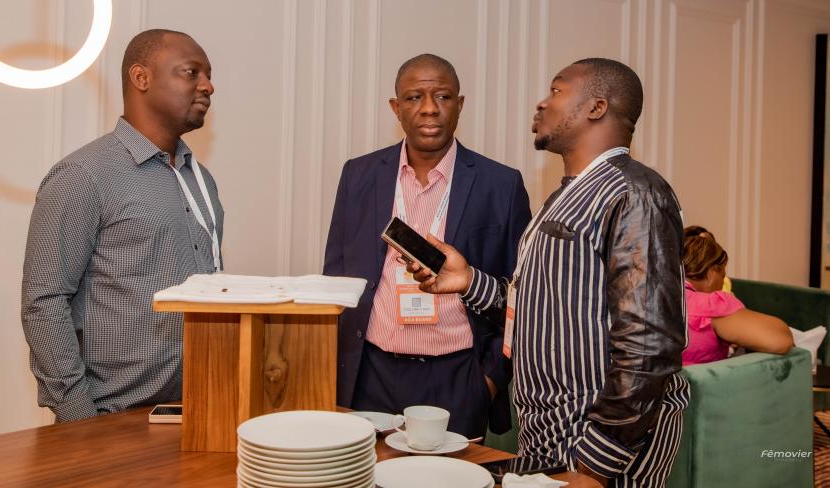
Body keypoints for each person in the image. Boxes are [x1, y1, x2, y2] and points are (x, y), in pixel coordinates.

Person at [412, 58, 689, 487]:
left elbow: (650, 346)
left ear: (596, 107)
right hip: (551, 435)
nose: (542, 103)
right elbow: (542, 306)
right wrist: (467, 281)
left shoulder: (634, 193)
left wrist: (596, 465)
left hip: (598, 449)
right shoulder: (568, 194)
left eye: (557, 91)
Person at [323, 53, 531, 439]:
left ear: (460, 104)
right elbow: (335, 276)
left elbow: (521, 294)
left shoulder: (501, 185)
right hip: (370, 374)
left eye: (443, 96)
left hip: (459, 377)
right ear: (396, 107)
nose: (430, 108)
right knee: (369, 471)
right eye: (415, 97)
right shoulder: (358, 175)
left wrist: (488, 380)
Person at [21, 29, 223, 422]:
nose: (208, 86)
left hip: (196, 409)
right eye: (191, 72)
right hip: (109, 418)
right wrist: (79, 419)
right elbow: (43, 302)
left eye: (209, 75)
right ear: (141, 77)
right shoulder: (83, 175)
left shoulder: (201, 180)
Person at [682, 226, 793, 365]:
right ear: (711, 274)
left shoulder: (657, 297)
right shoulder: (710, 305)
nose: (723, 282)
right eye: (722, 275)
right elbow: (781, 339)